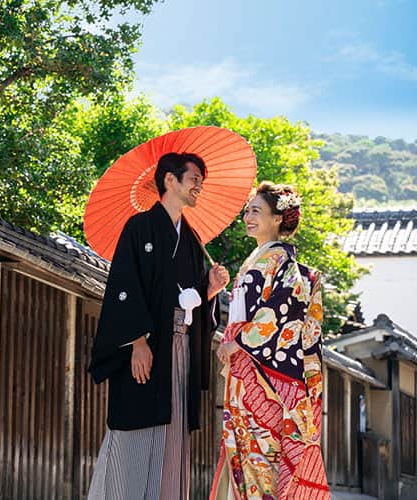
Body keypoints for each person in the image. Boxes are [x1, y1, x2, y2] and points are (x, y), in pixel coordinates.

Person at [88, 152, 230, 500]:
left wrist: (209, 289)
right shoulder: (139, 228)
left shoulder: (194, 240)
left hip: (179, 347)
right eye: (194, 178)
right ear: (170, 180)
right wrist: (136, 341)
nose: (199, 186)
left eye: (201, 180)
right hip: (147, 345)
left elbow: (192, 299)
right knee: (135, 428)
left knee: (173, 429)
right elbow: (124, 286)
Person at [210, 182, 329, 500]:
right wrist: (232, 334)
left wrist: (240, 341)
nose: (247, 217)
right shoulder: (257, 259)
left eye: (256, 211)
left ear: (278, 218)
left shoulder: (282, 263)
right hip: (245, 367)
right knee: (244, 452)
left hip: (264, 373)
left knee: (261, 457)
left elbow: (280, 311)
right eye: (247, 211)